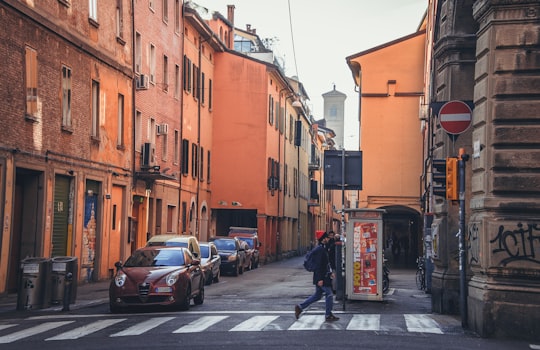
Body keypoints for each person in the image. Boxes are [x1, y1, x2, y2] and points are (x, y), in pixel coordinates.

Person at [295, 230, 339, 322]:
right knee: (329, 294)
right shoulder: (320, 250)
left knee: (317, 296)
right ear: (323, 239)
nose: (328, 239)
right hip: (321, 277)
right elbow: (319, 265)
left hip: (322, 276)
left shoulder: (322, 248)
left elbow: (325, 263)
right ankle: (328, 314)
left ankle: (300, 307)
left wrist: (330, 272)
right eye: (326, 237)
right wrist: (320, 279)